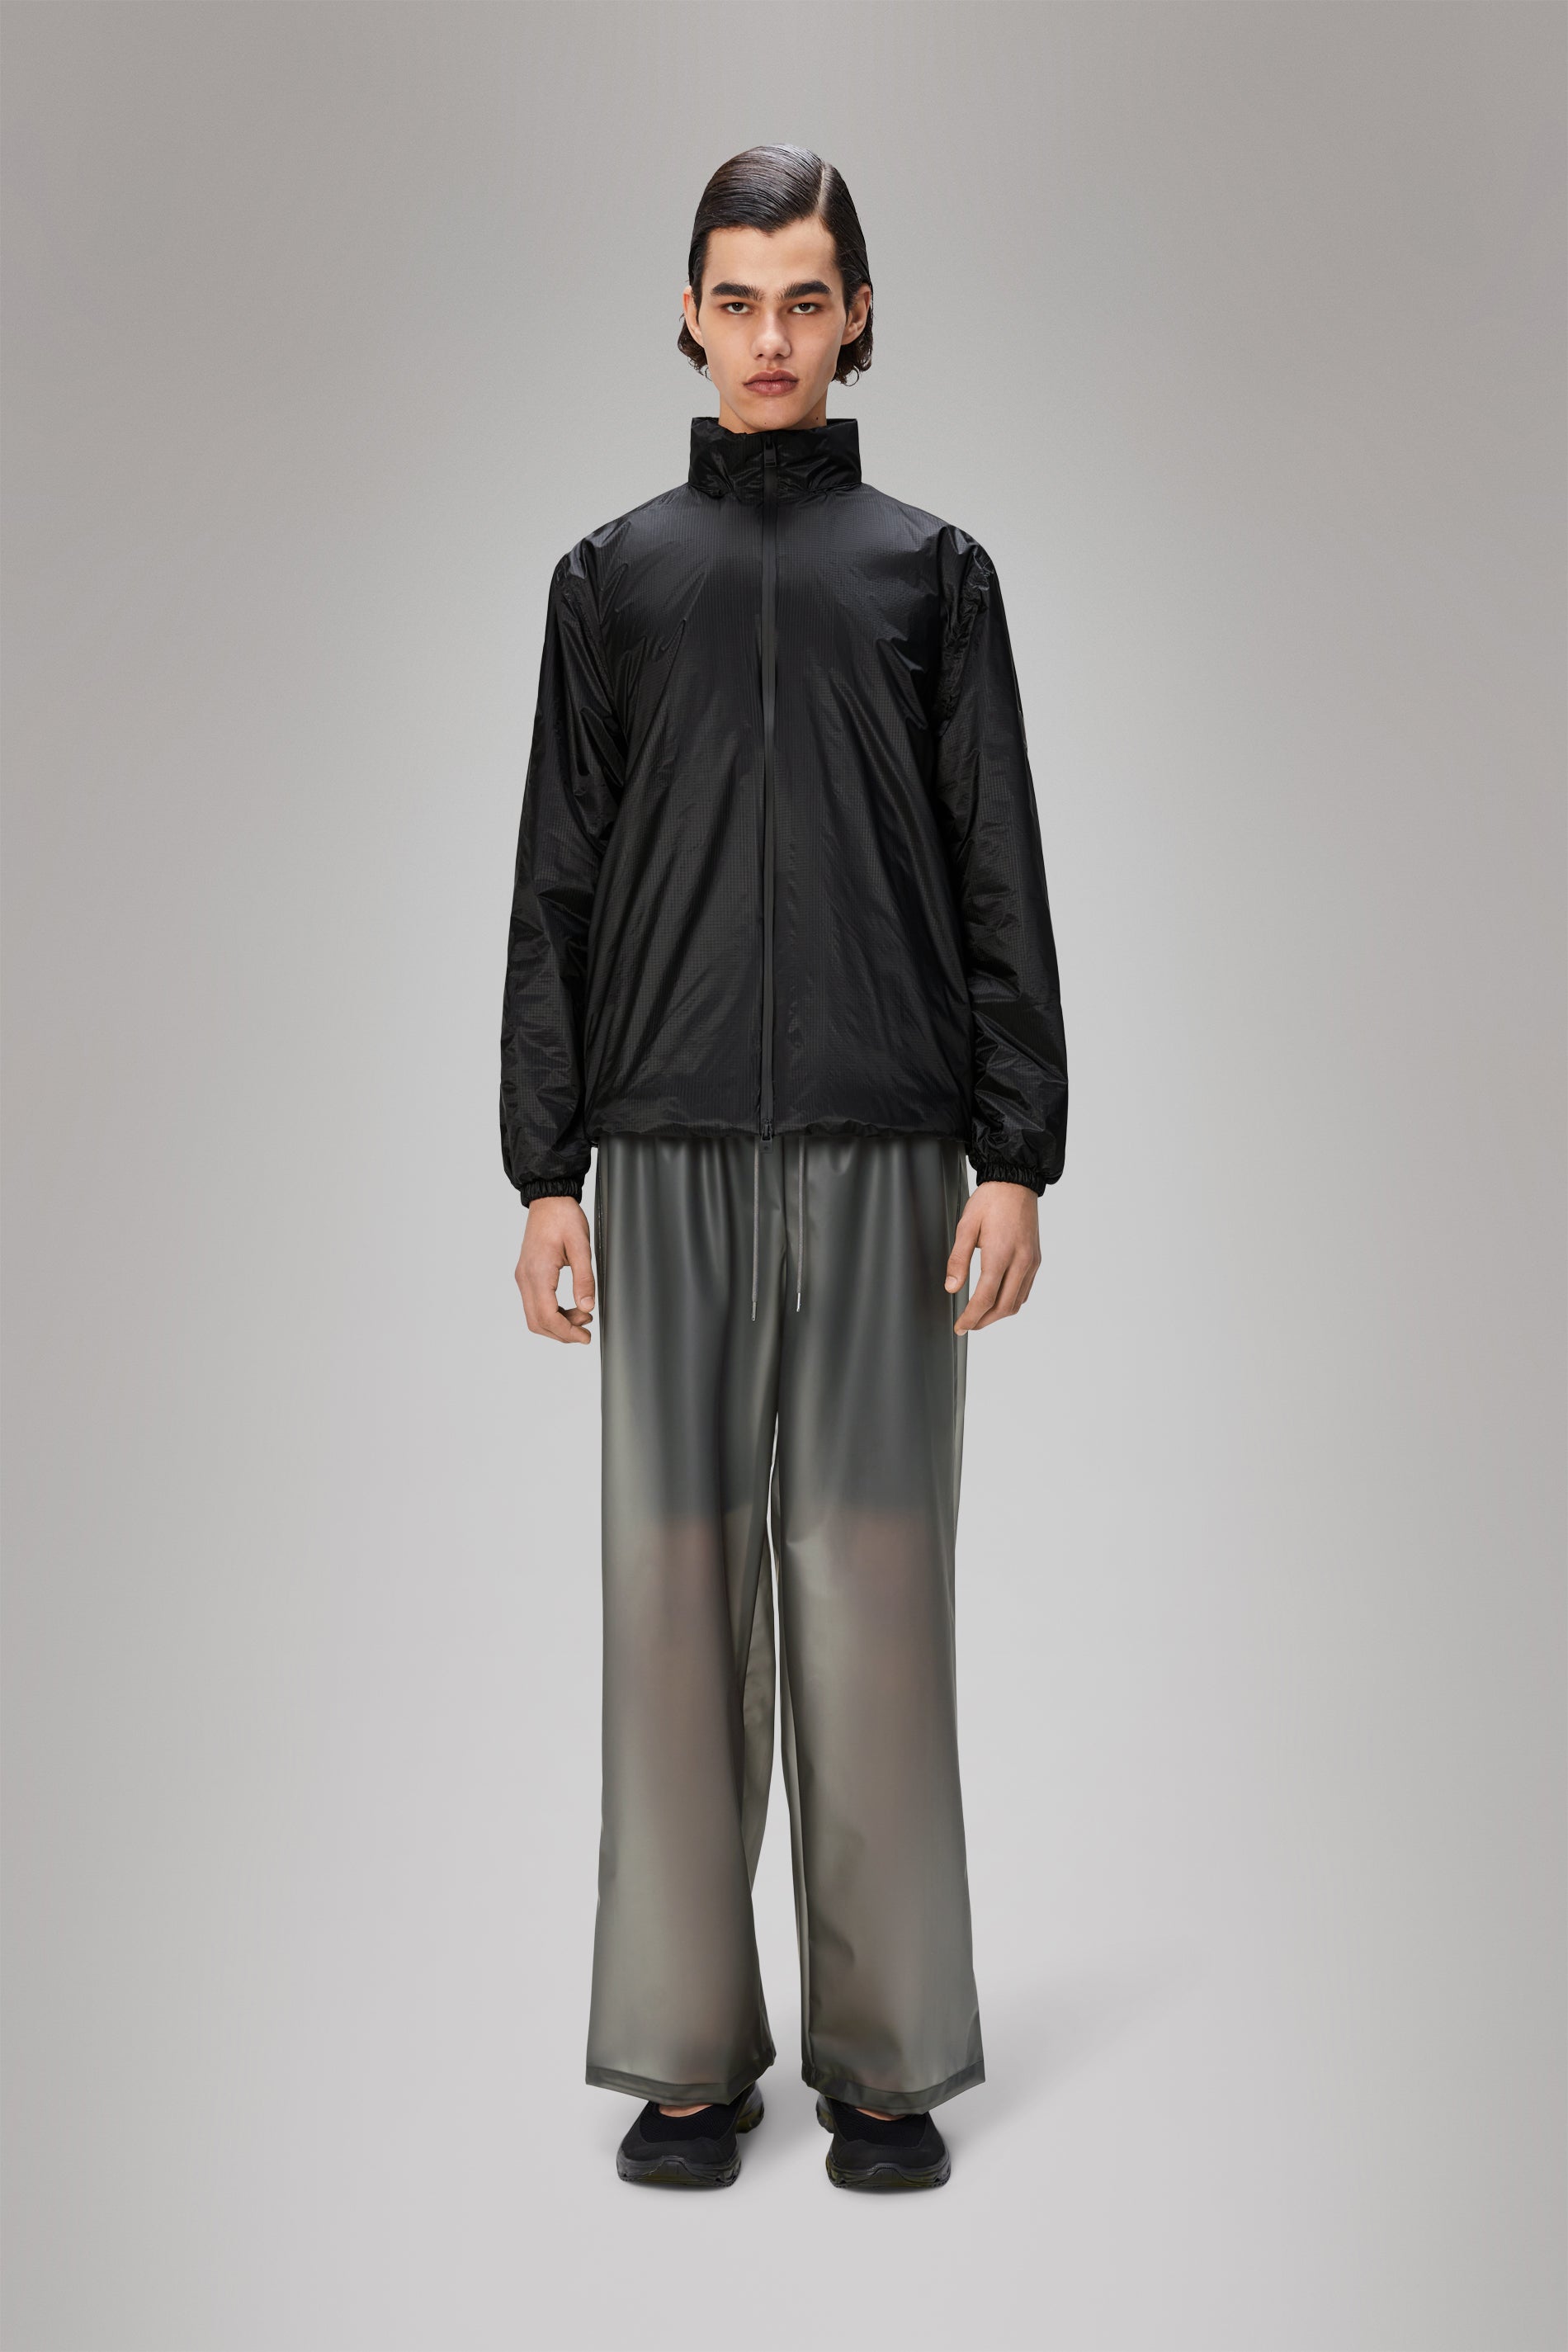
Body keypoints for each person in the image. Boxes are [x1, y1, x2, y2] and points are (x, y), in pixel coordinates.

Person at [499, 144, 1067, 2194]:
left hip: (888, 1156)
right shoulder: (609, 580)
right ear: (686, 314)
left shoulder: (932, 576)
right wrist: (543, 1172)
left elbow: (995, 867)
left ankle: (886, 2062)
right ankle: (682, 2058)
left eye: (803, 300)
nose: (768, 337)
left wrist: (1013, 1154)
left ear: (853, 320)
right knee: (667, 1607)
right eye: (734, 300)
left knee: (873, 1599)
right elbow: (556, 888)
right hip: (656, 1156)